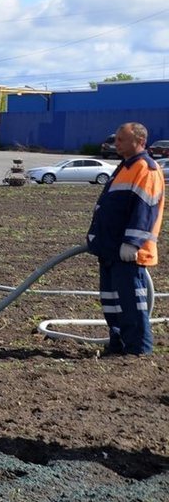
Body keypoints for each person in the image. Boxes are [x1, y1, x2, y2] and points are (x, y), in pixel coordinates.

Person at [86, 121, 164, 355]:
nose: (115, 143)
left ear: (139, 141)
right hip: (110, 249)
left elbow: (145, 209)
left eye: (121, 139)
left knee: (131, 304)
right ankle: (118, 344)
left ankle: (137, 350)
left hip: (128, 253)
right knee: (111, 302)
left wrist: (132, 243)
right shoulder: (125, 167)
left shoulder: (146, 169)